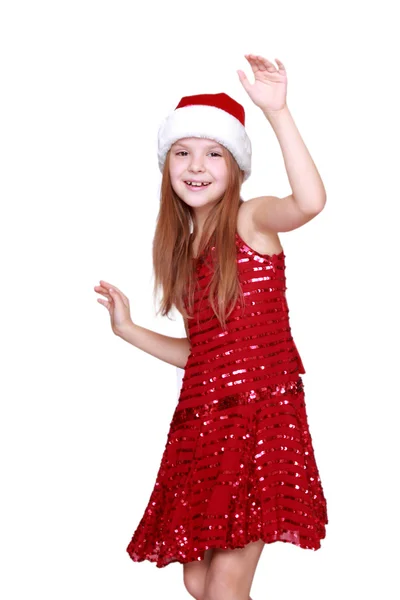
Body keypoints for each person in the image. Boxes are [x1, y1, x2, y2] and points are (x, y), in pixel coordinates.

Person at [94, 54, 328, 600]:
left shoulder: (250, 221)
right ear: (166, 164)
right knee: (198, 581)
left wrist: (278, 111)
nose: (196, 165)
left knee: (223, 588)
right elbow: (206, 356)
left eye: (213, 153)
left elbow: (310, 202)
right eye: (183, 152)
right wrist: (128, 329)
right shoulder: (183, 252)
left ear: (236, 167)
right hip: (205, 421)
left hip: (260, 416)